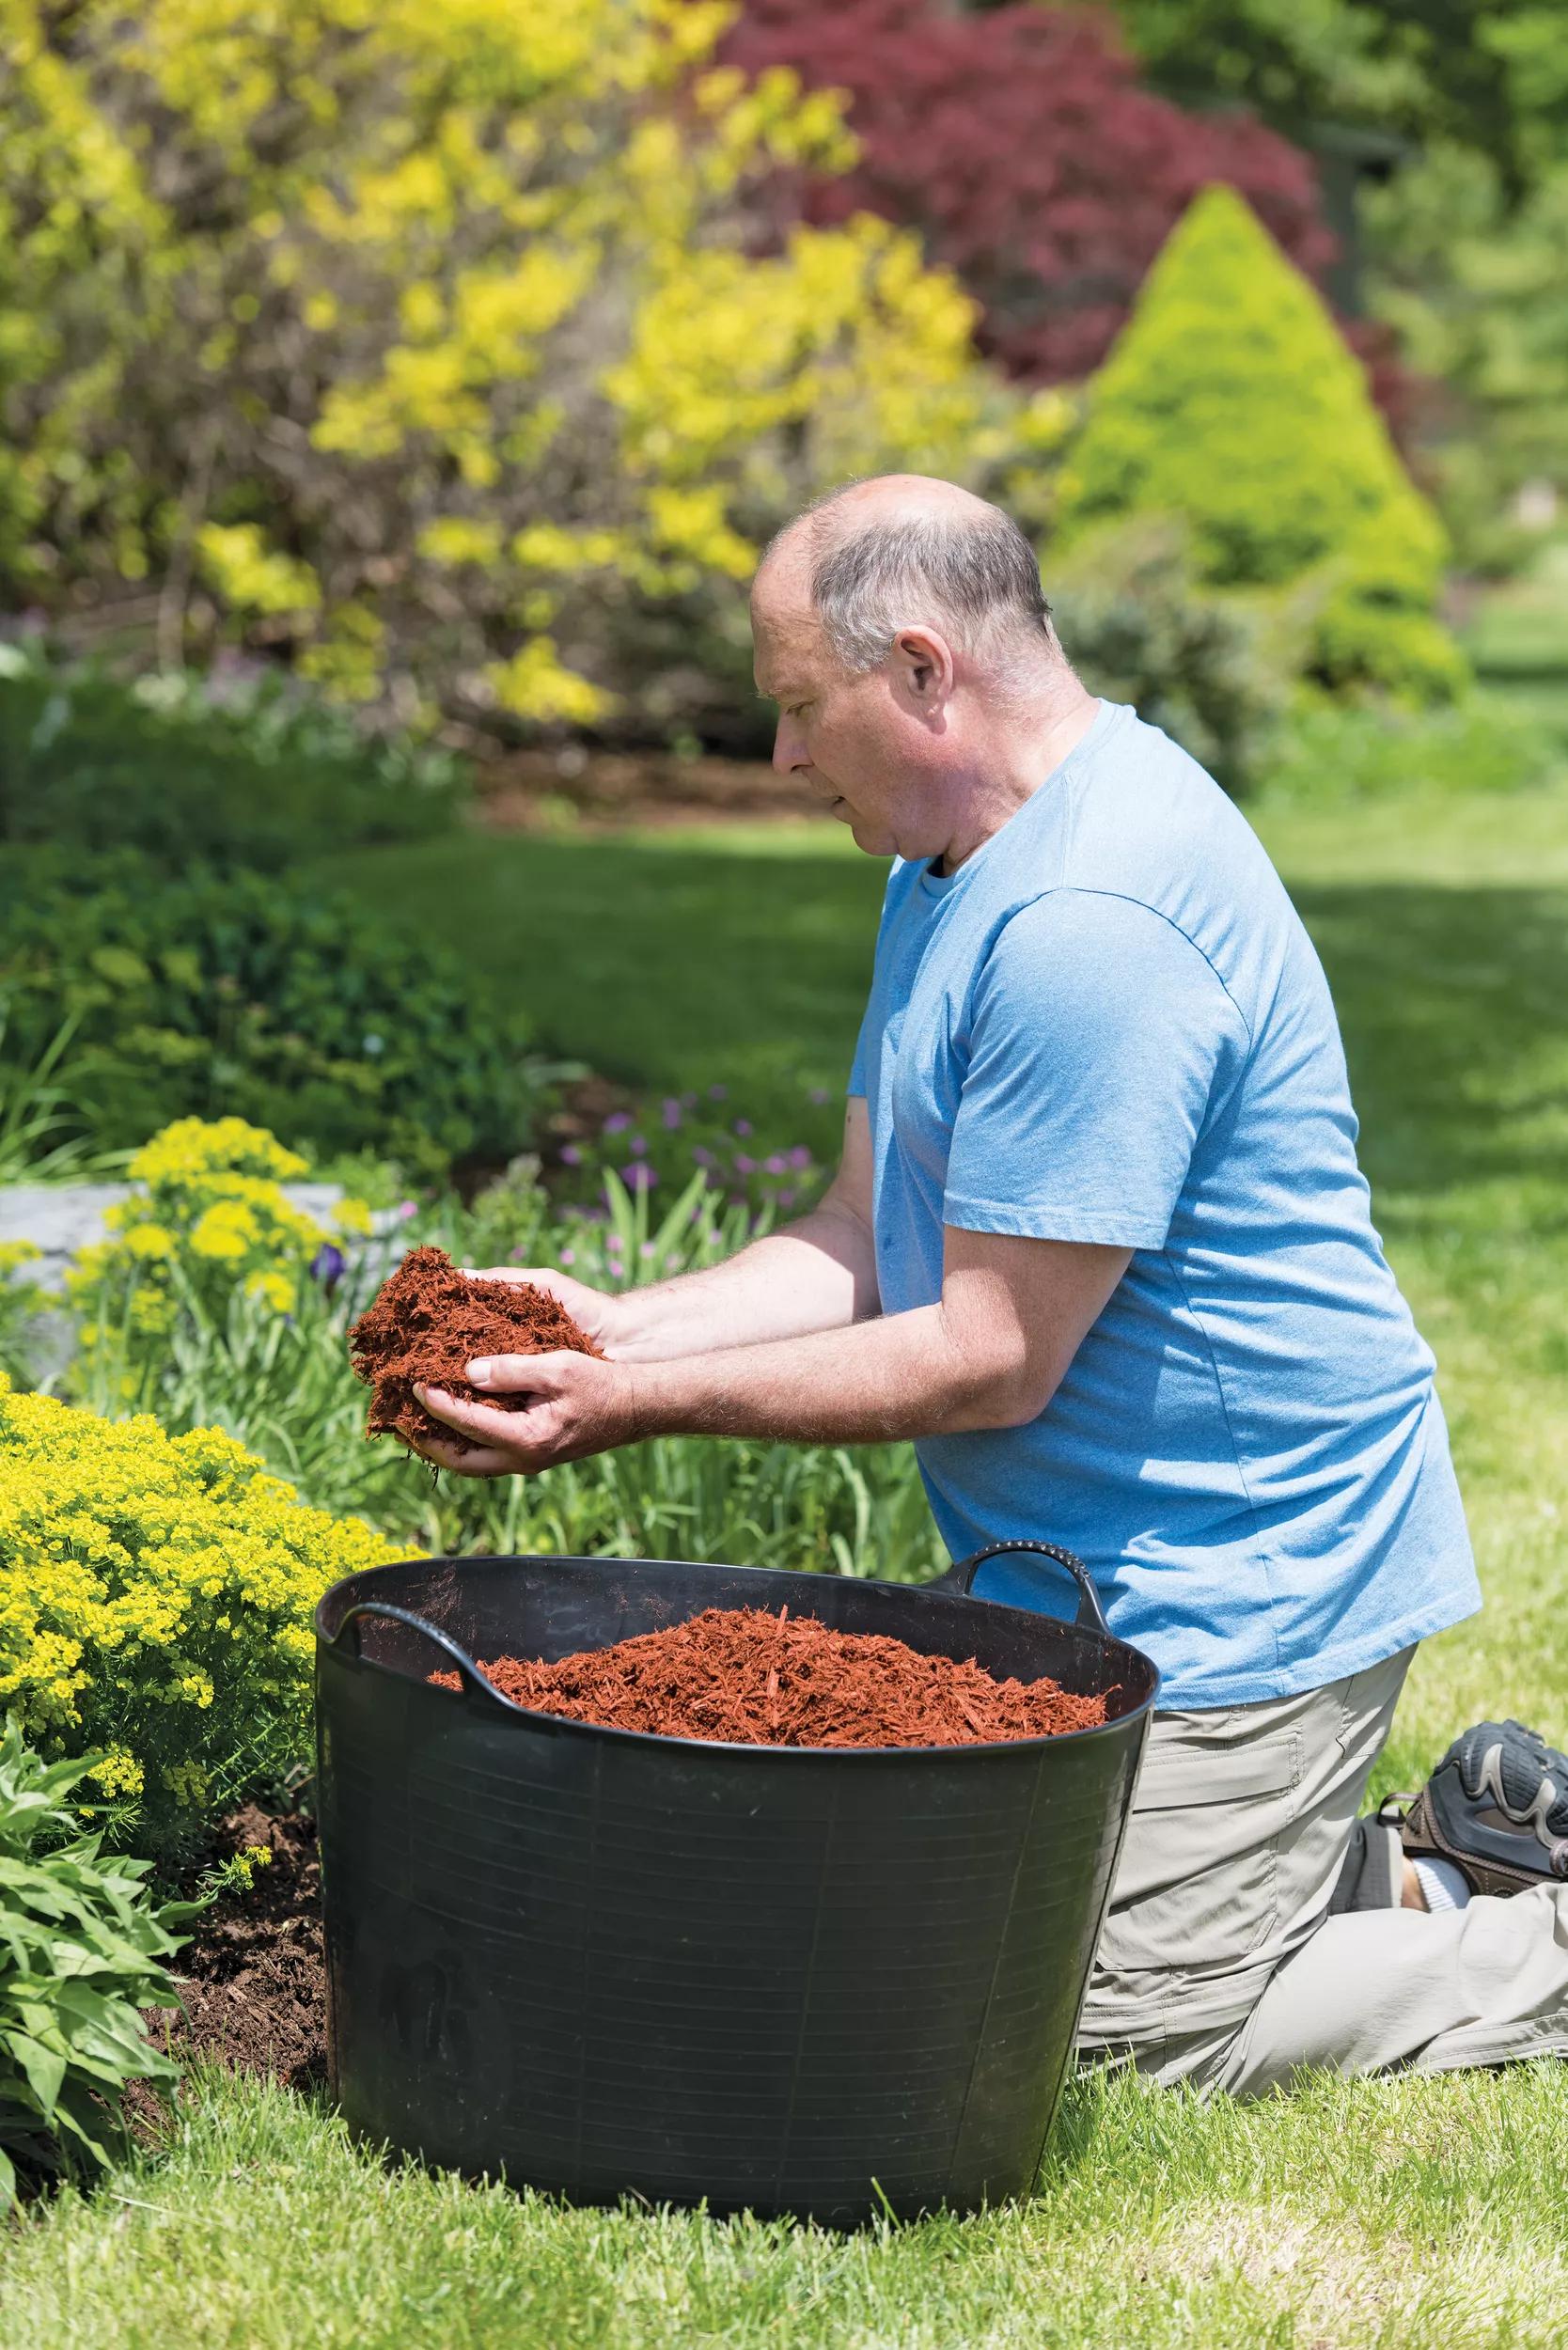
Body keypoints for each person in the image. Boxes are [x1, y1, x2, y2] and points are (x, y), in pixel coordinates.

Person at [410, 476, 1568, 2092]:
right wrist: (610, 1329)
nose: (782, 760)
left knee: (1088, 2037)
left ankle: (1519, 1944)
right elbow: (859, 1231)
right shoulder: (950, 860)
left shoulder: (1095, 917)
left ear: (919, 669)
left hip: (1251, 1584)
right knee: (937, 1932)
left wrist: (635, 1410)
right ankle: (1415, 1862)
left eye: (800, 710)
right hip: (1092, 1585)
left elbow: (989, 1354)